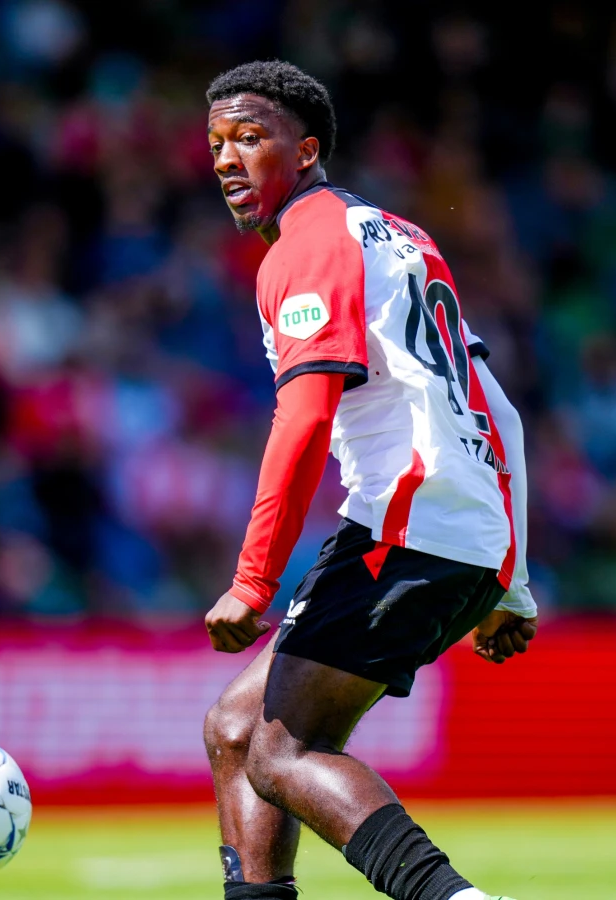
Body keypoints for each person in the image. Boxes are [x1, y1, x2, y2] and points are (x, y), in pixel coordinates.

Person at [199, 61, 538, 900]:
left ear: (307, 150)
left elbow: (305, 420)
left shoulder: (306, 246)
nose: (226, 160)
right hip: (460, 527)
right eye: (215, 144)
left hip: (407, 521)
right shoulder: (399, 236)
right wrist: (514, 583)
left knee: (283, 752)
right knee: (238, 729)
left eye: (249, 138)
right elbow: (501, 411)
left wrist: (253, 580)